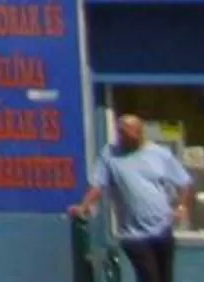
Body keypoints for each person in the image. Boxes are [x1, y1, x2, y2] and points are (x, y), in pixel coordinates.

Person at [73, 113, 193, 282]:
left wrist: (181, 207)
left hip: (162, 228)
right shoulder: (110, 155)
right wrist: (84, 206)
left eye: (129, 135)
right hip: (133, 233)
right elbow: (98, 184)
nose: (124, 139)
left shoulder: (160, 154)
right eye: (121, 134)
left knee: (165, 278)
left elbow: (184, 182)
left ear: (139, 133)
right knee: (149, 277)